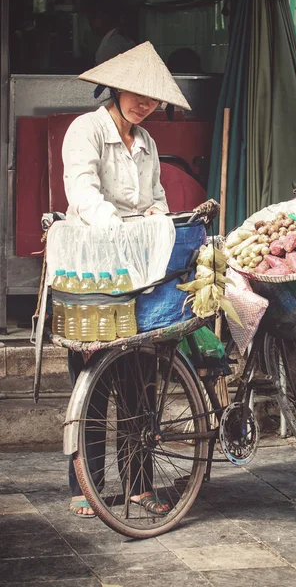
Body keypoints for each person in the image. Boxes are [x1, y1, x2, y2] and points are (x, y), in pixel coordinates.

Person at [63, 41, 191, 517]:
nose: (145, 104)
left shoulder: (148, 142)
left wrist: (159, 219)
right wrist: (118, 229)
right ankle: (85, 486)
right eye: (137, 94)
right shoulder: (87, 130)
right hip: (94, 266)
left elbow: (155, 195)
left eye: (153, 99)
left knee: (139, 380)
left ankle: (138, 484)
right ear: (114, 87)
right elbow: (84, 192)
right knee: (92, 381)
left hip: (139, 268)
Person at [83, 0, 135, 65]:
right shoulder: (125, 40)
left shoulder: (108, 48)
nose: (90, 23)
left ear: (105, 16)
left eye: (92, 17)